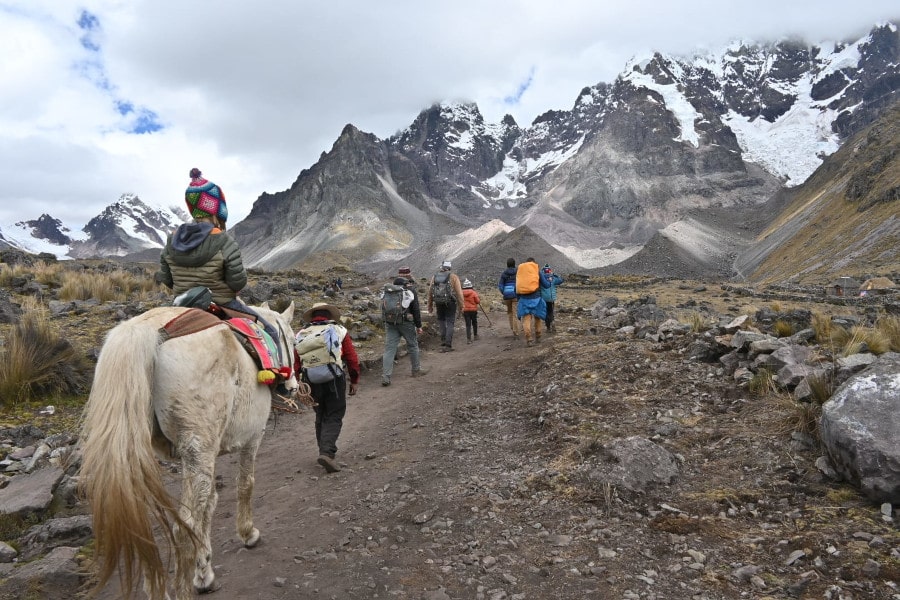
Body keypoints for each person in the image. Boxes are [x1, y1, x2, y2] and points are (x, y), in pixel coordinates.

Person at [156, 167, 283, 361]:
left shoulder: (171, 238)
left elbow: (166, 279)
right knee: (271, 332)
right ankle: (280, 382)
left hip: (181, 304)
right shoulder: (223, 240)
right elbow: (237, 283)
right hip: (221, 304)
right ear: (217, 208)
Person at [294, 303, 360, 473]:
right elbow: (351, 358)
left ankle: (323, 450)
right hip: (334, 378)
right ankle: (327, 453)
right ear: (329, 315)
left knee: (321, 414)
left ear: (313, 316)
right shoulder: (339, 330)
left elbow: (296, 363)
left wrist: (297, 382)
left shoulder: (301, 333)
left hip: (310, 380)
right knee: (334, 413)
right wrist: (354, 379)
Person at [381, 277, 428, 386]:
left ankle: (386, 377)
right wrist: (419, 326)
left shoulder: (387, 293)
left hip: (390, 323)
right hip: (406, 323)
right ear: (404, 284)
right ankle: (416, 370)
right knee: (412, 345)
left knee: (389, 349)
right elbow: (416, 309)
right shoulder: (409, 292)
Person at [428, 260, 465, 352]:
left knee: (441, 320)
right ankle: (448, 344)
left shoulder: (435, 276)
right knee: (450, 322)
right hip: (450, 302)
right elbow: (459, 293)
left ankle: (443, 340)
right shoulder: (453, 277)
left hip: (438, 302)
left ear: (442, 267)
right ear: (450, 267)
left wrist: (430, 305)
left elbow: (430, 291)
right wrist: (462, 305)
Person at [516, 257, 552, 347]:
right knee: (537, 318)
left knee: (526, 320)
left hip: (524, 299)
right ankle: (538, 336)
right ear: (534, 263)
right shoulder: (537, 271)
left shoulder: (521, 272)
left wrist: (518, 298)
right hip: (536, 299)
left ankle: (529, 339)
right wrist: (549, 281)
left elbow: (516, 287)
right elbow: (546, 285)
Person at [497, 258, 520, 339]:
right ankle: (516, 332)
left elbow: (500, 286)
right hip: (515, 295)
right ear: (514, 264)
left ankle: (512, 328)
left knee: (510, 312)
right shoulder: (518, 272)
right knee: (515, 314)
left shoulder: (504, 273)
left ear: (507, 264)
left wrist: (504, 292)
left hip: (507, 296)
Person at [540, 264, 565, 333]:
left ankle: (548, 328)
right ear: (550, 270)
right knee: (551, 311)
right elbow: (561, 280)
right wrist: (554, 275)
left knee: (546, 313)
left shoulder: (541, 278)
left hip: (544, 299)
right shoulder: (553, 278)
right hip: (551, 298)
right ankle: (552, 321)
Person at [461, 279, 481, 344]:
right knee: (474, 322)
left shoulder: (461, 293)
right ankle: (475, 336)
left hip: (465, 310)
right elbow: (478, 301)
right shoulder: (473, 292)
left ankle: (468, 339)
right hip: (473, 310)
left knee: (468, 324)